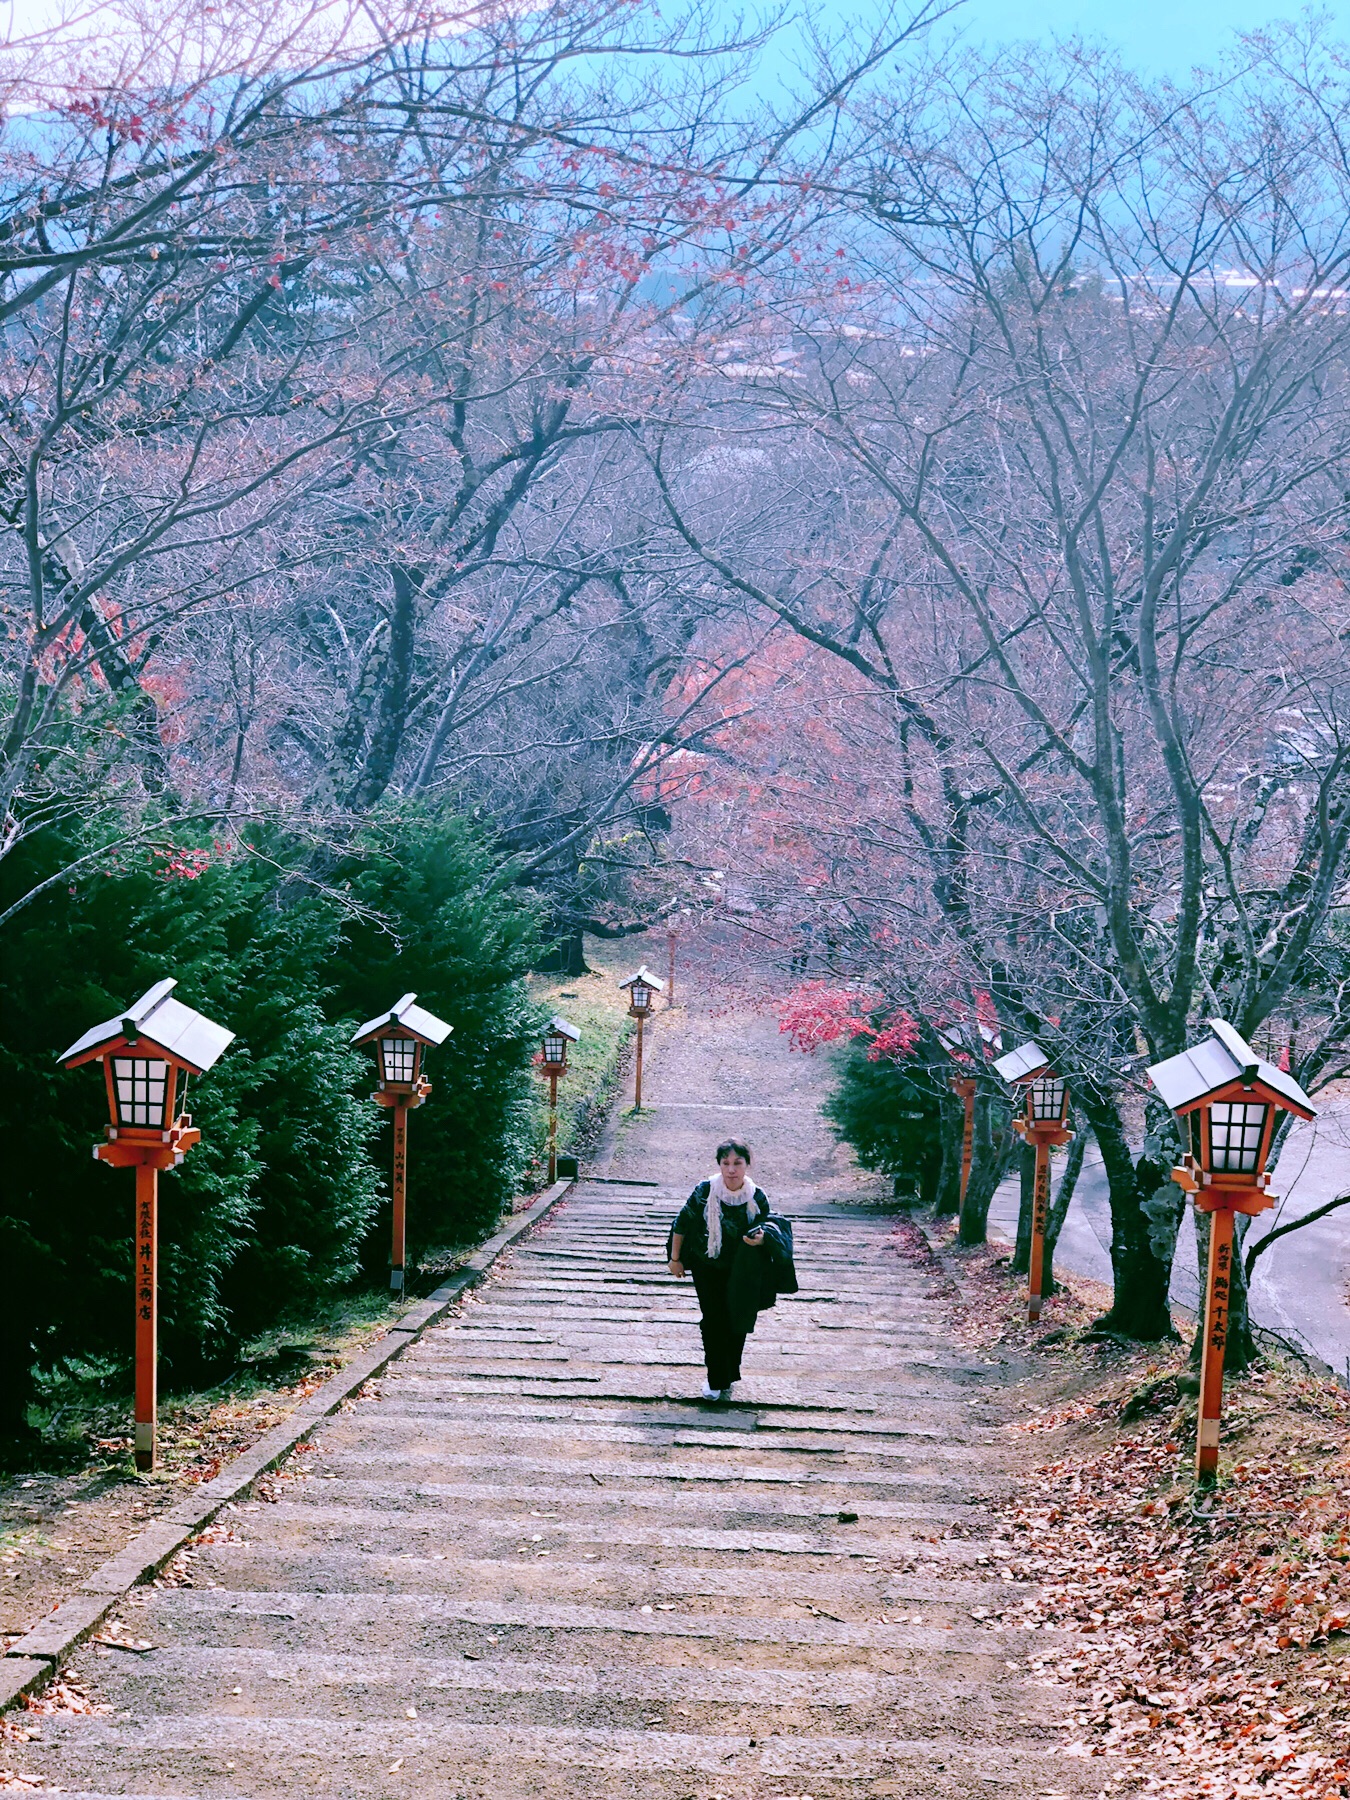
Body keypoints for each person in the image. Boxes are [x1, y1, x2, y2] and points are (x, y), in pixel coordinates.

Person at [668, 1140, 769, 1401]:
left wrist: (761, 1239)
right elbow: (681, 1223)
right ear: (719, 1165)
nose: (731, 1169)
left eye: (737, 1163)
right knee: (713, 1321)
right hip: (707, 1264)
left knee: (737, 1320)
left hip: (742, 1270)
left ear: (747, 1164)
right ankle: (715, 1379)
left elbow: (770, 1229)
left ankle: (728, 1374)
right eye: (726, 1163)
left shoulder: (757, 1196)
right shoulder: (704, 1191)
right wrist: (675, 1258)